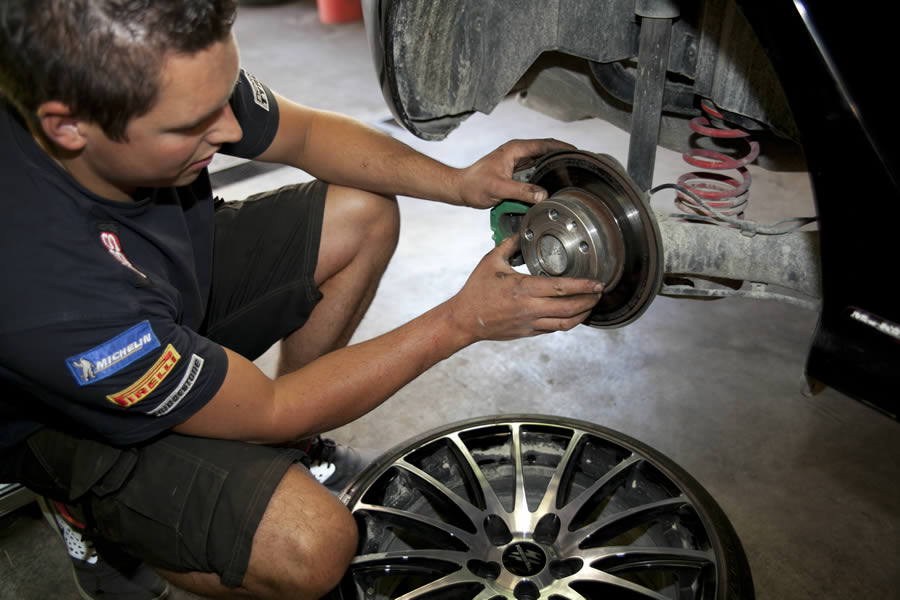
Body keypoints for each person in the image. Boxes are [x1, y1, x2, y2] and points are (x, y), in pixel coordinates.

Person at [0, 1, 603, 599]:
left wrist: (459, 181)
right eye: (194, 124)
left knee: (363, 213)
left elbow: (306, 132)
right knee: (313, 546)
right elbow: (270, 405)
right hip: (72, 411)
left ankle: (289, 450)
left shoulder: (145, 69)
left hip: (160, 280)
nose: (229, 131)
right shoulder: (49, 295)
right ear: (67, 127)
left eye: (223, 99)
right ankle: (90, 513)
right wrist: (462, 321)